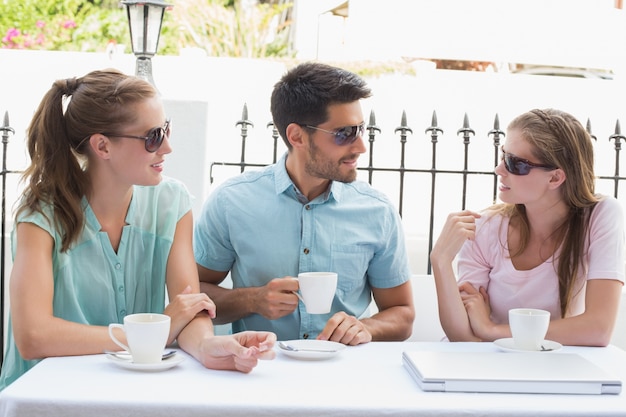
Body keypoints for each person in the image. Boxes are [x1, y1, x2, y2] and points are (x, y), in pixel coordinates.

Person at [0, 69, 276, 390]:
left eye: (165, 129)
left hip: (133, 391)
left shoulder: (172, 202)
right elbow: (33, 337)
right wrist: (152, 333)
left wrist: (206, 347)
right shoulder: (41, 214)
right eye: (153, 137)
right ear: (102, 146)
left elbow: (188, 308)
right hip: (45, 395)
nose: (167, 147)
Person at [194, 62, 415, 345]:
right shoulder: (231, 203)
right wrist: (252, 300)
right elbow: (196, 294)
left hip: (344, 374)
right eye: (344, 133)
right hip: (258, 370)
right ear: (296, 136)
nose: (360, 146)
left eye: (361, 129)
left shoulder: (378, 211)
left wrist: (367, 328)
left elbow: (402, 314)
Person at [430, 108, 625, 347]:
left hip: (551, 366)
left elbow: (598, 329)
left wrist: (491, 330)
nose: (499, 169)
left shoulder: (600, 215)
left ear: (555, 178)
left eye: (515, 163)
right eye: (503, 156)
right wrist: (440, 260)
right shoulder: (485, 227)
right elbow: (463, 337)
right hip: (483, 362)